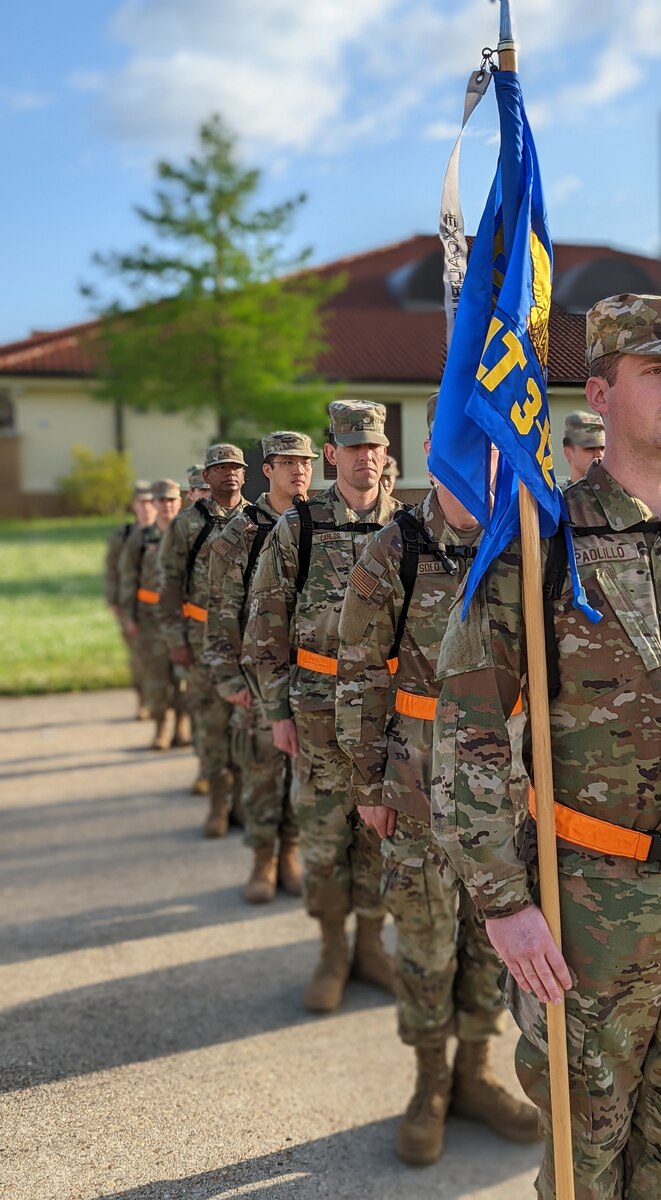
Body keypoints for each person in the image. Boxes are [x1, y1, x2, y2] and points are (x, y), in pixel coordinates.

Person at [431, 293, 661, 1199]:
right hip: (590, 910)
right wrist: (504, 901)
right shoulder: (542, 541)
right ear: (598, 392)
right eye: (656, 370)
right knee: (585, 1157)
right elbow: (467, 726)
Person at [336, 395, 538, 1165]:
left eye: (486, 439)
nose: (476, 454)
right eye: (459, 438)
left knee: (495, 944)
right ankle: (428, 1084)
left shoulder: (523, 539)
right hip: (416, 788)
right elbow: (356, 676)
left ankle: (476, 1074)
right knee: (424, 944)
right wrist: (369, 786)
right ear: (430, 447)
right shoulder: (398, 547)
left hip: (506, 794)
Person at [246, 401, 399, 1012]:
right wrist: (276, 711)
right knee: (322, 835)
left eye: (374, 448)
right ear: (332, 454)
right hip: (316, 712)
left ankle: (370, 946)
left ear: (387, 455)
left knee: (378, 834)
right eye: (352, 447)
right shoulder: (300, 527)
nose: (365, 458)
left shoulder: (408, 528)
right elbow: (265, 621)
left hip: (385, 717)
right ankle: (334, 951)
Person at [204, 432, 319, 903]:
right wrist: (229, 676)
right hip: (258, 675)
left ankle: (290, 852)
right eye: (286, 462)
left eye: (305, 462)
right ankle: (262, 860)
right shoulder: (242, 531)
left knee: (303, 774)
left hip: (313, 674)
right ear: (266, 470)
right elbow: (222, 607)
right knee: (263, 772)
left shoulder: (323, 522)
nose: (298, 471)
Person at [158, 444, 249, 836]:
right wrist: (175, 638)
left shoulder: (257, 519)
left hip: (249, 640)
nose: (229, 473)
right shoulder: (186, 524)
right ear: (206, 478)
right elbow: (169, 585)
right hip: (201, 640)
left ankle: (244, 802)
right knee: (211, 725)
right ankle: (217, 802)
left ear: (245, 475)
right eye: (221, 468)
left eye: (236, 468)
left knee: (247, 727)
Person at [118, 479, 190, 750]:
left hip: (183, 618)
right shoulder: (142, 537)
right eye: (160, 500)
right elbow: (128, 578)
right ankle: (161, 727)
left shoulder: (188, 533)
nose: (166, 505)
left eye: (171, 500)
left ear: (179, 501)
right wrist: (129, 616)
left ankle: (182, 726)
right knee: (157, 677)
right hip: (151, 619)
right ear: (154, 504)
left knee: (183, 678)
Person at [105, 481, 155, 718]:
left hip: (160, 607)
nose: (146, 508)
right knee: (139, 658)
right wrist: (114, 601)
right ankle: (143, 700)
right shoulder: (124, 535)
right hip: (132, 605)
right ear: (134, 505)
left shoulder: (167, 531)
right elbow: (112, 569)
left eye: (149, 502)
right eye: (141, 502)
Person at [562, 410, 605, 485]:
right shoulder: (559, 496)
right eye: (590, 448)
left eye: (602, 448)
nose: (599, 454)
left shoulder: (620, 494)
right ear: (568, 453)